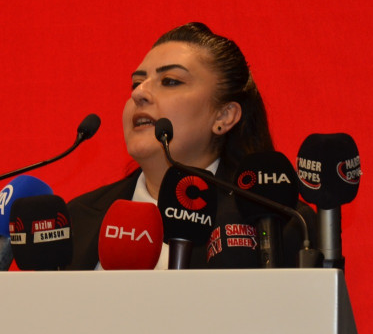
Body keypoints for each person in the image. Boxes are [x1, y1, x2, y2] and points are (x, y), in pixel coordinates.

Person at [65, 22, 313, 269]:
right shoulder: (77, 218)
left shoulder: (279, 223)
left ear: (223, 116)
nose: (139, 93)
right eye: (136, 83)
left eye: (170, 81)